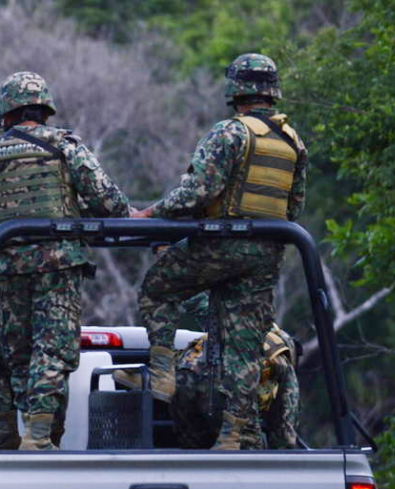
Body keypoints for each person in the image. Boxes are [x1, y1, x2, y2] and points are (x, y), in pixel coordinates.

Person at [0, 71, 131, 450]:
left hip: (9, 268)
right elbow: (108, 202)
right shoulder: (66, 146)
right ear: (44, 110)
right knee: (54, 350)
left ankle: (30, 431)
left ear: (7, 113)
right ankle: (40, 437)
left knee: (20, 353)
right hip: (59, 266)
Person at [130, 53, 308, 450]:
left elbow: (197, 193)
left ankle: (162, 371)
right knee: (244, 347)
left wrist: (150, 214)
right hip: (264, 255)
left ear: (235, 90)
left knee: (158, 288)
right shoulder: (292, 142)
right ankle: (231, 434)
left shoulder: (229, 133)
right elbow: (293, 207)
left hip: (219, 245)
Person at [169, 292, 301, 449]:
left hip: (190, 386)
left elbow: (198, 303)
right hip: (234, 416)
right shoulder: (277, 357)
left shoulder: (198, 351)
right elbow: (284, 427)